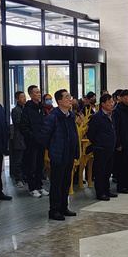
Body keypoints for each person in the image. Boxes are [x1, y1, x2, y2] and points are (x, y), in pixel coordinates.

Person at [40, 89, 80, 221]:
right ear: (59, 101)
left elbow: (74, 134)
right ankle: (54, 210)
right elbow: (45, 136)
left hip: (69, 154)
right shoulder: (53, 116)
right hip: (58, 155)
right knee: (57, 184)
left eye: (70, 96)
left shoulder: (71, 116)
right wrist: (53, 149)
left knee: (66, 182)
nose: (70, 99)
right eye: (67, 97)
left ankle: (64, 207)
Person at [86, 93, 118, 201]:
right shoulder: (97, 117)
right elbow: (91, 133)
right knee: (100, 171)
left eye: (112, 102)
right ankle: (100, 193)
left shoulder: (111, 115)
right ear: (103, 104)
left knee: (108, 171)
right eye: (109, 102)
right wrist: (98, 143)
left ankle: (106, 190)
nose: (111, 104)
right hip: (101, 148)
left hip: (110, 148)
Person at [19, 85, 48, 198]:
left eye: (39, 92)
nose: (39, 94)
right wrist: (33, 136)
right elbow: (23, 127)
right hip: (31, 142)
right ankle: (32, 188)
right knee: (31, 166)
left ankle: (39, 186)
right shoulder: (27, 109)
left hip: (42, 141)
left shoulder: (42, 108)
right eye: (36, 93)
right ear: (31, 95)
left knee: (40, 165)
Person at [10, 90, 27, 188]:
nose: (24, 98)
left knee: (25, 160)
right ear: (17, 99)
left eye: (24, 96)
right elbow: (18, 123)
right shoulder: (16, 110)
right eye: (22, 97)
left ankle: (24, 177)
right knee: (18, 160)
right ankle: (18, 179)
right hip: (19, 138)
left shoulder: (26, 109)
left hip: (26, 138)